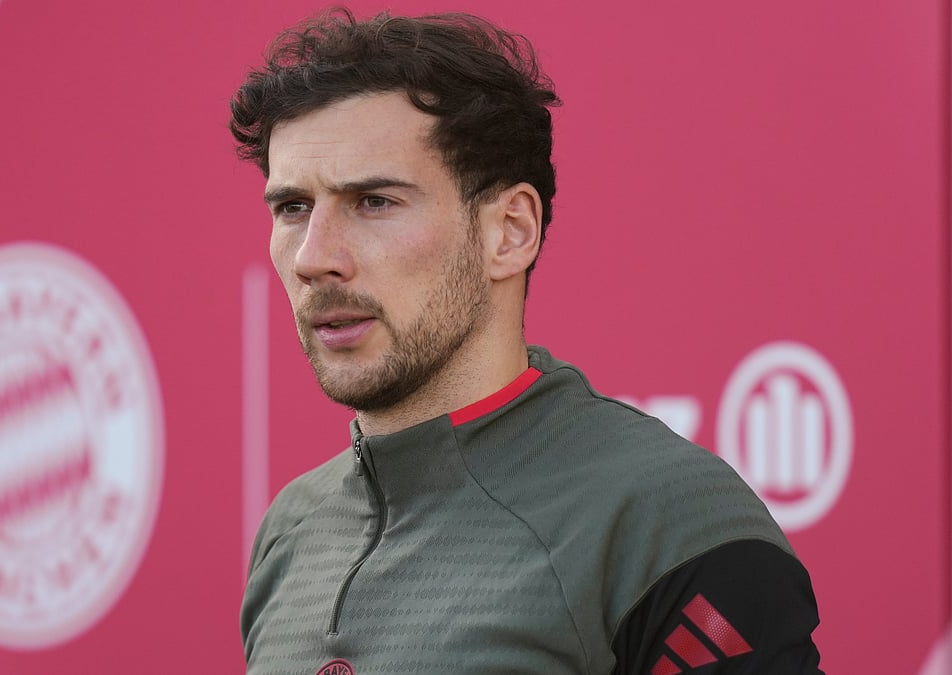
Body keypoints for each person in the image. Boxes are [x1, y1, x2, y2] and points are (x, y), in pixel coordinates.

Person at [229, 9, 823, 674]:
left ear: (510, 231)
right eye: (292, 208)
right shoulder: (292, 530)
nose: (314, 257)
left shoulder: (668, 522)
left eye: (374, 202)